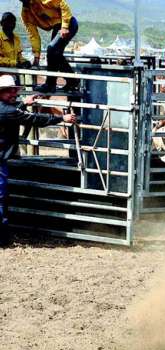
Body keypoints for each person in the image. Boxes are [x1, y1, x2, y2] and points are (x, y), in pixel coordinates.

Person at [0, 75, 76, 246]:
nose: (13, 93)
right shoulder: (8, 111)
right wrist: (61, 119)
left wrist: (23, 104)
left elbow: (12, 113)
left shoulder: (6, 109)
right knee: (1, 198)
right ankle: (2, 239)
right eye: (9, 91)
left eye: (14, 90)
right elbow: (34, 119)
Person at [20, 0, 79, 93]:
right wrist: (36, 57)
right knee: (55, 54)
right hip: (57, 27)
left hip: (68, 23)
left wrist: (65, 27)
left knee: (51, 49)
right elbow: (34, 36)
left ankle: (50, 84)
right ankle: (72, 81)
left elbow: (63, 4)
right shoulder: (26, 14)